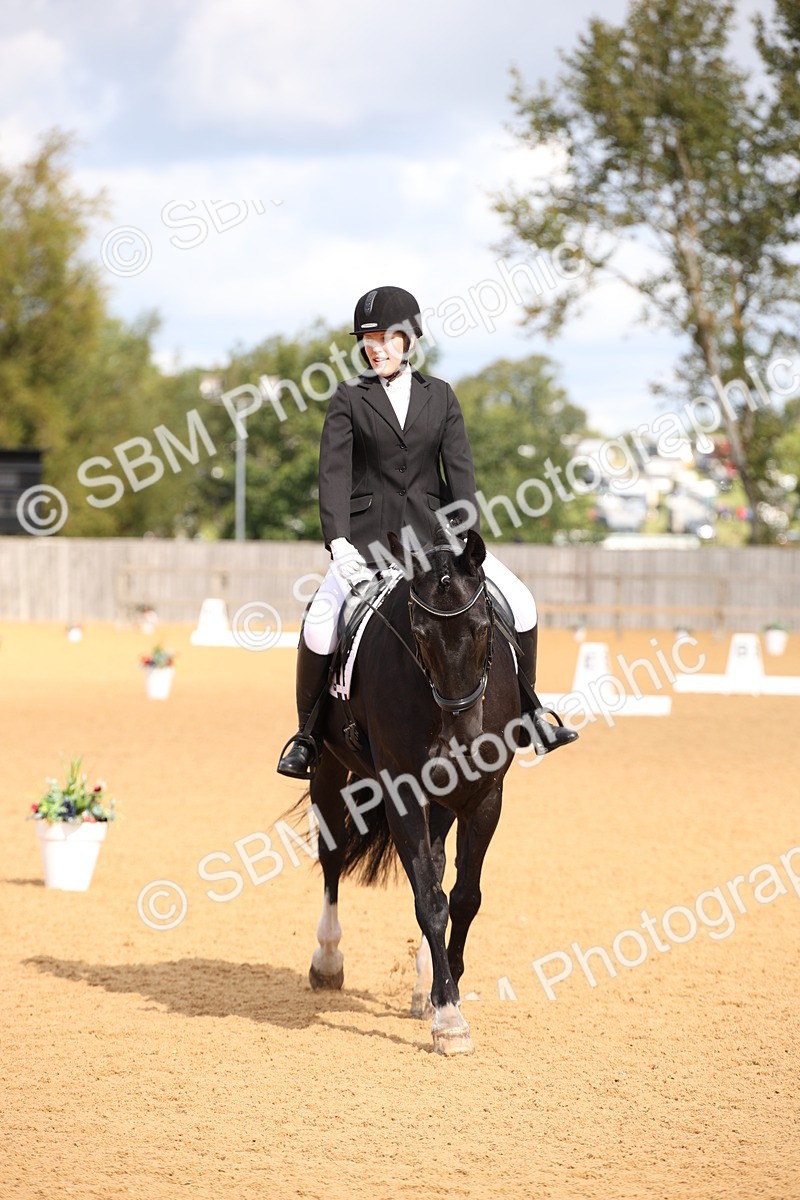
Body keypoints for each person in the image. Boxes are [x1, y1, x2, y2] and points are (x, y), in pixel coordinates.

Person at [277, 285, 578, 779]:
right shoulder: (349, 398)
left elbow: (460, 473)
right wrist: (339, 545)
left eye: (385, 337)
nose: (374, 347)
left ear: (410, 340)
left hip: (437, 542)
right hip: (369, 544)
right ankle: (307, 737)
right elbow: (332, 476)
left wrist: (465, 540)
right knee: (320, 621)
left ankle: (528, 713)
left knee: (521, 600)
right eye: (367, 339)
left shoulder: (441, 397)